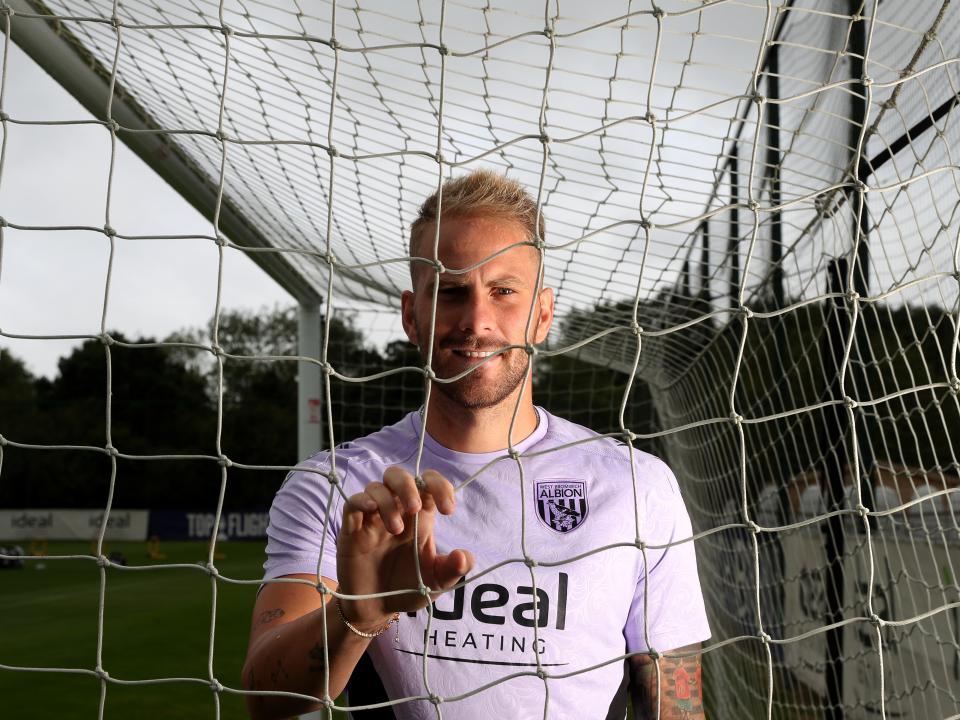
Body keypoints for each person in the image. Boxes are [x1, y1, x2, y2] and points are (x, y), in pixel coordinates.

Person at [241, 170, 710, 719]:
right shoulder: (337, 486)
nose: (477, 321)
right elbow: (265, 697)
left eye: (503, 292)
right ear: (411, 315)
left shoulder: (635, 485)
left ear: (542, 314)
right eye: (451, 291)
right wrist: (357, 614)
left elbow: (676, 706)